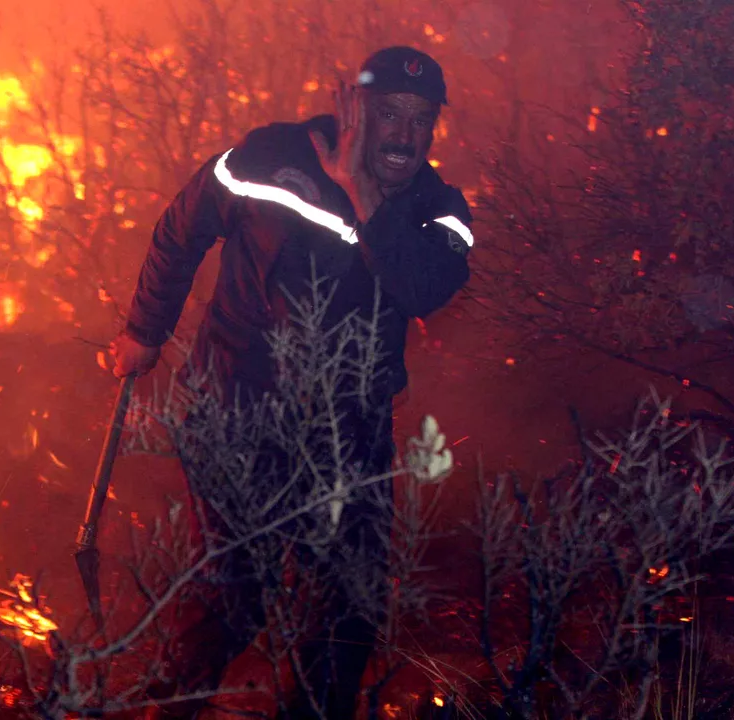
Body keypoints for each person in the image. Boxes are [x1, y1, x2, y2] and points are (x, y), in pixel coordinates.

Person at [109, 47, 475, 719]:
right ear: (356, 108)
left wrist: (363, 196)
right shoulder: (269, 157)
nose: (404, 135)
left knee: (349, 604)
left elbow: (424, 288)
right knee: (233, 592)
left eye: (421, 120)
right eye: (389, 113)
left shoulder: (438, 209)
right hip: (236, 406)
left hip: (349, 430)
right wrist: (144, 330)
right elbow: (182, 230)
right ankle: (165, 709)